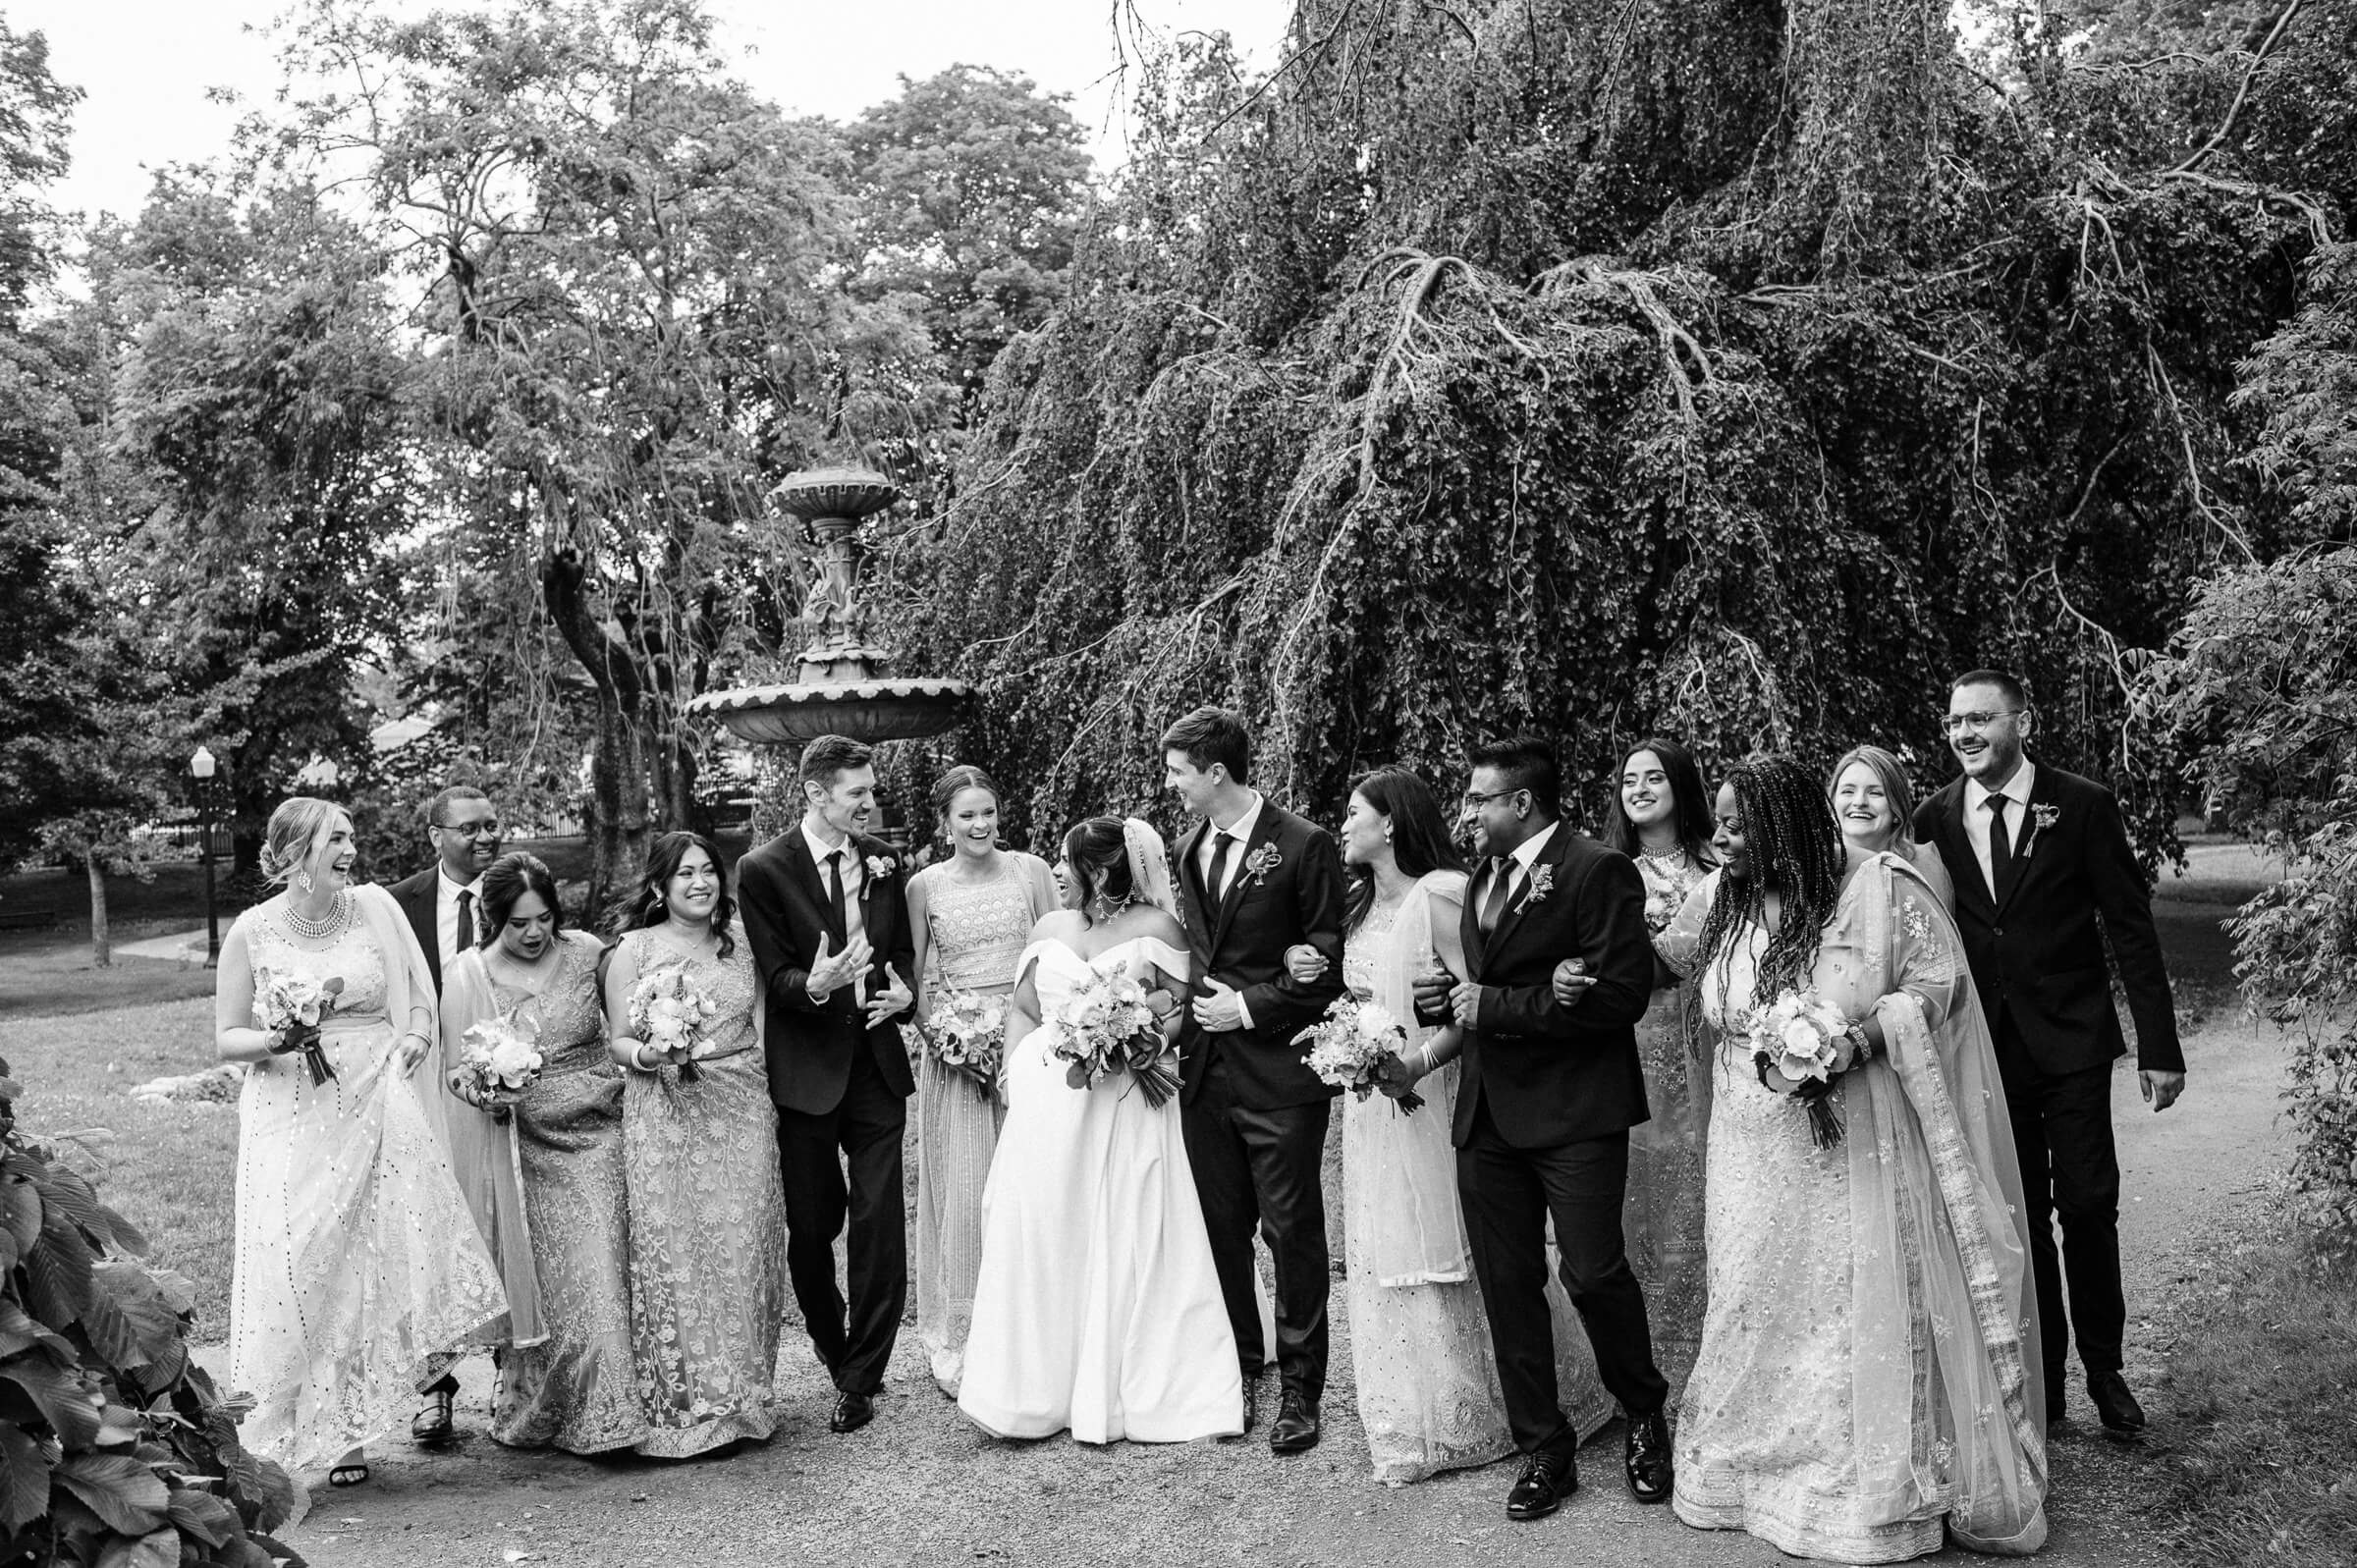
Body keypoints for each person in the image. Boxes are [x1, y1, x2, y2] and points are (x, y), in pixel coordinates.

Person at [1653, 756, 2048, 1560]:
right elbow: (1661, 958)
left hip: (1840, 1138)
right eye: (1720, 820)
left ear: (1786, 828)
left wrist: (1856, 1040)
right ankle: (1745, 1461)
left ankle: (1850, 1473)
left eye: (1736, 824)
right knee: (1749, 1286)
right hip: (1743, 1137)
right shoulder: (1721, 898)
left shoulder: (1875, 888)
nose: (1719, 836)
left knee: (1836, 1293)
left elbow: (1940, 984)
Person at [1284, 769, 1614, 1484]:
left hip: (1438, 1097)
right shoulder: (1359, 904)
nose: (1342, 825)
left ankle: (1500, 1410)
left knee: (1465, 1248)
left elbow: (1476, 1010)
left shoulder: (1441, 893)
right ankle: (1414, 1419)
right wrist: (1351, 1043)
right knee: (1387, 1238)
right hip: (1375, 1108)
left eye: (1352, 812)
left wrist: (1414, 1063)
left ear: (1391, 823)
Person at [1915, 669, 2185, 1433]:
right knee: (2020, 1217)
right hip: (1985, 1050)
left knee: (2090, 1203)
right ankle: (2046, 1381)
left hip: (2070, 1040)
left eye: (1981, 719)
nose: (1966, 733)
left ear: (2021, 721)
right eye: (1955, 721)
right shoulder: (1934, 818)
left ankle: (2106, 1369)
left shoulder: (2084, 804)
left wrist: (2158, 1046)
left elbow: (2129, 926)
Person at [1412, 736, 1672, 1523]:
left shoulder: (1597, 870)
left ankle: (1644, 1412)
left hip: (1575, 1112)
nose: (1468, 809)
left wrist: (1495, 1006)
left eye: (1480, 797)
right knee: (1508, 1283)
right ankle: (1543, 1445)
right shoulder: (1481, 877)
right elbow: (1489, 985)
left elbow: (1622, 994)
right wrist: (1447, 1000)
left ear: (1521, 801)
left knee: (1593, 1272)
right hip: (1488, 1109)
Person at [215, 797, 507, 1487]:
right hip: (290, 1106)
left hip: (376, 1101)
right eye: (335, 838)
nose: (350, 848)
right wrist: (276, 1037)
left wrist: (412, 1038)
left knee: (361, 1260)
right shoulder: (252, 932)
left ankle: (344, 1428)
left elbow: (414, 999)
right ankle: (279, 1419)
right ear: (294, 851)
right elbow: (227, 1035)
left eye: (351, 836)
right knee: (300, 1256)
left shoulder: (375, 906)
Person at [958, 817, 1243, 1443]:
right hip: (1049, 1105)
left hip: (1126, 1100)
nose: (1056, 872)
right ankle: (1037, 1386)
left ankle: (1138, 1383)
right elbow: (1026, 1009)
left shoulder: (1157, 928)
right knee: (1047, 1229)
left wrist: (1142, 1040)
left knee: (1129, 1223)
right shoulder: (1050, 928)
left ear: (1102, 870)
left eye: (1066, 862)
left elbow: (1181, 1007)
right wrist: (1016, 1078)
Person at [1163, 706, 1347, 1452]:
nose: (1171, 784)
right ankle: (1240, 1365)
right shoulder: (1188, 846)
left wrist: (1250, 1006)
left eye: (1179, 771)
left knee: (1291, 1229)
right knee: (1220, 1227)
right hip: (1204, 1074)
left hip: (1278, 1070)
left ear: (1216, 772)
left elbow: (1327, 960)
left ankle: (1301, 1388)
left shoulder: (1304, 845)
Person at [735, 735, 917, 1436]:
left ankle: (863, 1373)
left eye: (870, 791)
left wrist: (901, 989)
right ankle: (832, 1342)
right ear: (816, 793)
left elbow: (898, 948)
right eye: (857, 793)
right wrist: (812, 983)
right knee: (813, 1228)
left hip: (874, 1058)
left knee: (878, 1221)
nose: (870, 803)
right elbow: (777, 975)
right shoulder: (763, 869)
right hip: (806, 1070)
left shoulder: (883, 860)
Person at [440, 852, 639, 1454]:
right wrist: (486, 1089)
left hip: (601, 1135)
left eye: (544, 918)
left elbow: (629, 1026)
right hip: (522, 1148)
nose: (534, 933)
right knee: (554, 1288)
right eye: (518, 923)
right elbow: (454, 1071)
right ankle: (548, 1405)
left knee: (600, 1270)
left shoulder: (587, 953)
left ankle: (613, 1415)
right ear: (493, 920)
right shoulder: (468, 975)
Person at [605, 832, 788, 1457]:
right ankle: (687, 1406)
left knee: (744, 1246)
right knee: (676, 1251)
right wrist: (654, 1054)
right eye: (685, 873)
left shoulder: (740, 945)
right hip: (666, 1115)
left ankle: (744, 1399)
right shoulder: (634, 950)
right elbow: (618, 1042)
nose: (700, 883)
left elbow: (762, 1021)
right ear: (660, 885)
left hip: (741, 1109)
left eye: (708, 871)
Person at [904, 765, 1061, 1396]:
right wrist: (952, 1039)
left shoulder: (1033, 872)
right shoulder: (922, 887)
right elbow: (913, 980)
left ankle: (1042, 1331)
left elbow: (1061, 958)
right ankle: (973, 1337)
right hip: (956, 1057)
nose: (979, 825)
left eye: (988, 813)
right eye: (966, 815)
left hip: (1034, 1049)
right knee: (968, 1194)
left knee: (1035, 1187)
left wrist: (1032, 1040)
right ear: (945, 823)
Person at [1589, 736, 1715, 1389]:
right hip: (1626, 1050)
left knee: (1696, 1202)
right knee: (1630, 1206)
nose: (1638, 788)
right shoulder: (1608, 870)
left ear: (1680, 786)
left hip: (1703, 1050)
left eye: (1654, 777)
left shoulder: (1716, 868)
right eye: (1629, 778)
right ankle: (1634, 1369)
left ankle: (1700, 1361)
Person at [387, 783, 505, 1443]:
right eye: (470, 828)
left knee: (502, 1221)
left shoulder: (515, 892)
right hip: (426, 1087)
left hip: (502, 1084)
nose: (486, 837)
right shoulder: (395, 903)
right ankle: (433, 1389)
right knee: (426, 1235)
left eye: (492, 825)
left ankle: (513, 1382)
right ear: (437, 836)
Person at [1832, 743, 1954, 910]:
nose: (1859, 802)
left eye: (1875, 793)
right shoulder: (1814, 867)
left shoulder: (1923, 867)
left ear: (1896, 808)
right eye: (1848, 791)